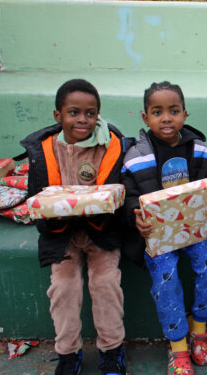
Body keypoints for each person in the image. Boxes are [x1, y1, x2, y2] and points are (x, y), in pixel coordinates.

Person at [20, 79, 127, 375]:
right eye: (74, 112)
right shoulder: (44, 150)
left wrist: (94, 211)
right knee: (63, 287)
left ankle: (112, 350)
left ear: (98, 115)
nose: (83, 120)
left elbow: (117, 195)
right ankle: (68, 353)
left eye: (91, 113)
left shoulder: (111, 145)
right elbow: (36, 201)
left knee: (105, 284)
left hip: (101, 233)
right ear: (58, 116)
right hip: (61, 237)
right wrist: (55, 216)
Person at [121, 81, 207, 375]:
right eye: (157, 112)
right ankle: (177, 343)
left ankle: (199, 326)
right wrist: (135, 216)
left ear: (184, 114)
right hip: (157, 236)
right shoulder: (135, 155)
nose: (166, 118)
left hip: (194, 231)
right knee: (165, 278)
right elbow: (128, 194)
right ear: (145, 117)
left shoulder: (199, 150)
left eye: (174, 111)